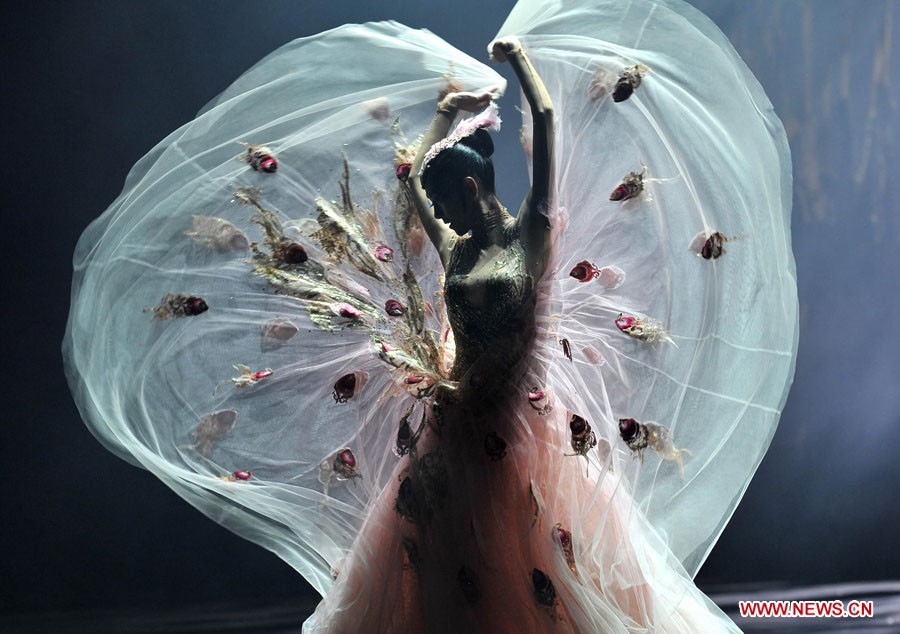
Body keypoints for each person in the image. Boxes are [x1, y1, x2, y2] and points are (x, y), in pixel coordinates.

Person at [64, 1, 798, 632]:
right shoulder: (453, 245)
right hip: (454, 422)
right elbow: (411, 181)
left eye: (449, 202)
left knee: (530, 557)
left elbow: (546, 125)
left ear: (476, 187)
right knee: (442, 563)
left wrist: (521, 64)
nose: (437, 216)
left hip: (521, 428)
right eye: (438, 208)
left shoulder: (531, 234)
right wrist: (446, 117)